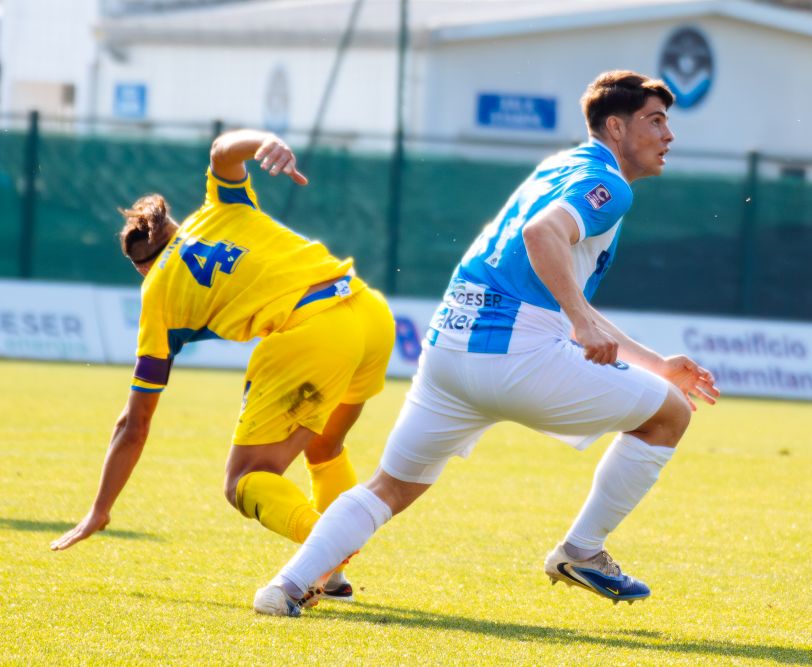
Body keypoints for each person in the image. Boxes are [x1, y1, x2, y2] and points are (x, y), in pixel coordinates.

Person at [254, 70, 720, 617]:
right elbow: (542, 236)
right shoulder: (609, 186)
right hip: (515, 354)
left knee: (389, 488)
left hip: (449, 350)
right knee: (669, 415)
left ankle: (284, 588)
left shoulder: (560, 166)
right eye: (656, 121)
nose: (668, 135)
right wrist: (582, 322)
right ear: (616, 128)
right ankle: (581, 551)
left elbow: (553, 281)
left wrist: (653, 362)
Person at [50, 129, 396, 603]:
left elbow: (134, 424)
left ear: (140, 266)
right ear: (173, 226)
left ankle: (326, 548)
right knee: (324, 446)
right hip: (368, 310)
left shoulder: (156, 293)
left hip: (314, 331)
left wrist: (100, 509)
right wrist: (265, 142)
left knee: (244, 480)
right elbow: (221, 151)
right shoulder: (217, 207)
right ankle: (333, 579)